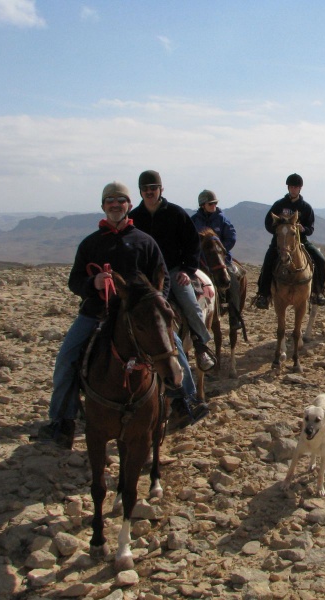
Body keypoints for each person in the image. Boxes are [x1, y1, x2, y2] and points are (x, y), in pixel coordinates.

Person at [36, 182, 175, 448]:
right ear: (103, 206)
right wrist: (94, 284)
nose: (115, 204)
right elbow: (75, 281)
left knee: (171, 350)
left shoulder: (145, 242)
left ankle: (184, 401)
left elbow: (163, 278)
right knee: (67, 358)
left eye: (120, 200)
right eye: (109, 200)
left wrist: (152, 307)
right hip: (96, 313)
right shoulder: (90, 243)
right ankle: (61, 420)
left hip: (137, 317)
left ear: (128, 205)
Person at [129, 170, 216, 373]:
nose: (149, 192)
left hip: (174, 270)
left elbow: (193, 243)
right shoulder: (133, 218)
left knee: (190, 305)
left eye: (153, 188)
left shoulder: (176, 213)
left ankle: (201, 345)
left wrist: (187, 269)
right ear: (140, 192)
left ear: (161, 189)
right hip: (143, 276)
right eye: (145, 189)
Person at [254, 173, 325, 309]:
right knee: (268, 259)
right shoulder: (279, 205)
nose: (293, 189)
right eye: (291, 187)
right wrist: (278, 230)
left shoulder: (306, 207)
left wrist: (303, 229)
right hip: (281, 242)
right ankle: (263, 294)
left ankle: (317, 292)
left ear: (300, 188)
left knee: (320, 259)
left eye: (296, 187)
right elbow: (268, 222)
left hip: (301, 241)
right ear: (288, 188)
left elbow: (311, 228)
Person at [191, 189, 244, 330]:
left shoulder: (222, 219)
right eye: (210, 203)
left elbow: (231, 237)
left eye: (215, 203)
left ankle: (234, 316)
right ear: (203, 205)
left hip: (221, 260)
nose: (214, 206)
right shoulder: (194, 221)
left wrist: (219, 250)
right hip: (200, 260)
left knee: (232, 279)